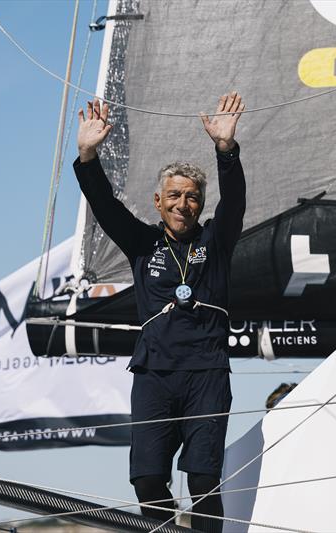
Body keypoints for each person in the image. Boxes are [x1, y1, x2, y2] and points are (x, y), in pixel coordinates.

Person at [74, 92, 246, 533]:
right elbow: (106, 207)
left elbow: (235, 201)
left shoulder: (216, 242)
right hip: (154, 375)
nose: (182, 204)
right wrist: (88, 155)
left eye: (191, 197)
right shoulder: (144, 243)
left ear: (200, 204)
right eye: (174, 195)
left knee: (204, 478)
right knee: (148, 478)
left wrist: (226, 150)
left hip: (206, 372)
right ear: (158, 201)